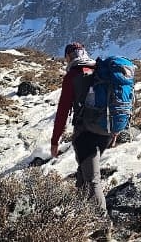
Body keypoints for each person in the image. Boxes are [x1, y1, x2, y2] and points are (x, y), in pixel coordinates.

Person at [51, 42, 114, 214]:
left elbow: (63, 111)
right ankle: (81, 213)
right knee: (83, 171)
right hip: (105, 131)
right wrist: (114, 131)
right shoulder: (101, 70)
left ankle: (103, 228)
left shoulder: (73, 75)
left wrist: (55, 141)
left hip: (86, 133)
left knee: (93, 180)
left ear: (69, 57)